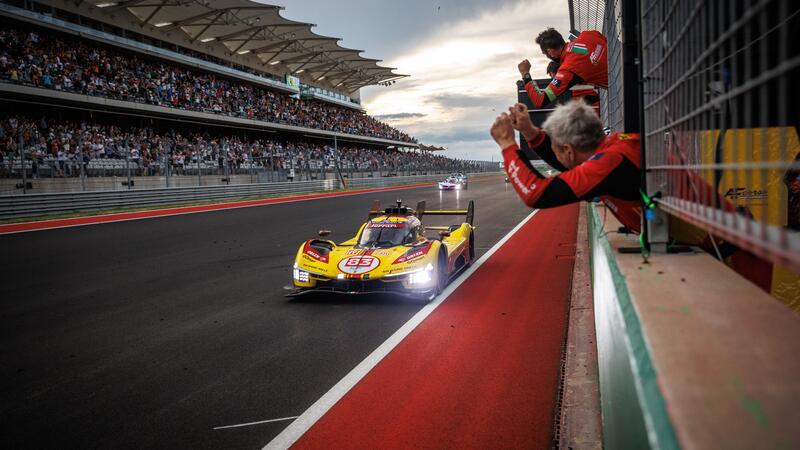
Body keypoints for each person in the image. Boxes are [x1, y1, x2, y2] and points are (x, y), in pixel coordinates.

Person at [491, 100, 642, 231]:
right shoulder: (614, 146)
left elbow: (535, 194)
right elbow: (568, 162)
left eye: (556, 149)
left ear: (568, 150)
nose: (554, 154)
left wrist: (507, 144)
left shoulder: (607, 163)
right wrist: (530, 132)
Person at [518, 28, 607, 110]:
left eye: (545, 54)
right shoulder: (588, 34)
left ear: (550, 52)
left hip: (618, 85)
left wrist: (525, 74)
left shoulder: (568, 69)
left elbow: (540, 101)